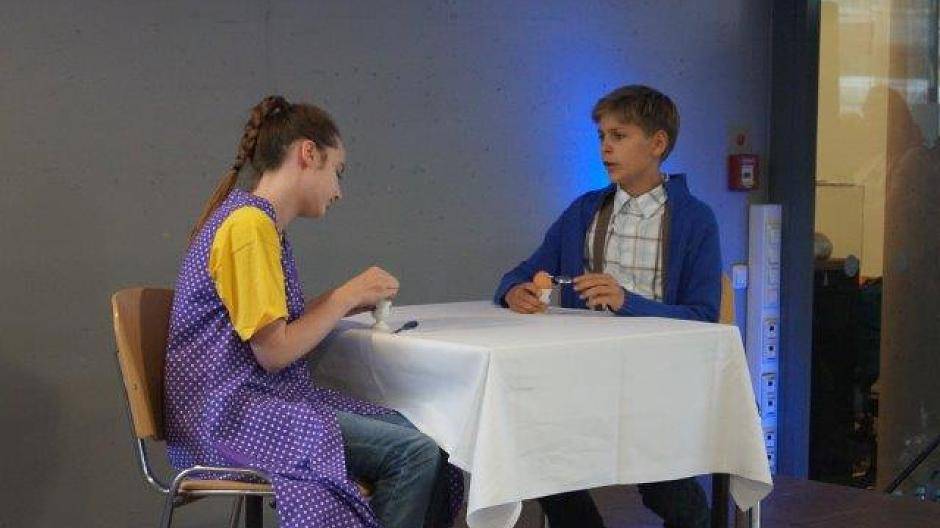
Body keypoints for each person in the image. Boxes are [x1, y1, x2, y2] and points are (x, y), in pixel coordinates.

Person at [164, 95, 461, 528]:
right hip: (229, 418)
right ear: (308, 153)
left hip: (246, 406)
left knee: (426, 438)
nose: (338, 190)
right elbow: (274, 352)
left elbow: (279, 328)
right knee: (413, 454)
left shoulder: (258, 223)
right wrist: (344, 297)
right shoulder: (248, 226)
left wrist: (344, 296)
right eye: (337, 171)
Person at [494, 85, 720, 528]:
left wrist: (626, 302)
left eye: (619, 136)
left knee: (668, 492)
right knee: (537, 450)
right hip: (585, 376)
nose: (605, 148)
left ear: (657, 144)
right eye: (601, 136)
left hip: (658, 380)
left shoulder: (695, 220)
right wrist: (513, 291)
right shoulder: (584, 211)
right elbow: (522, 271)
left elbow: (703, 317)